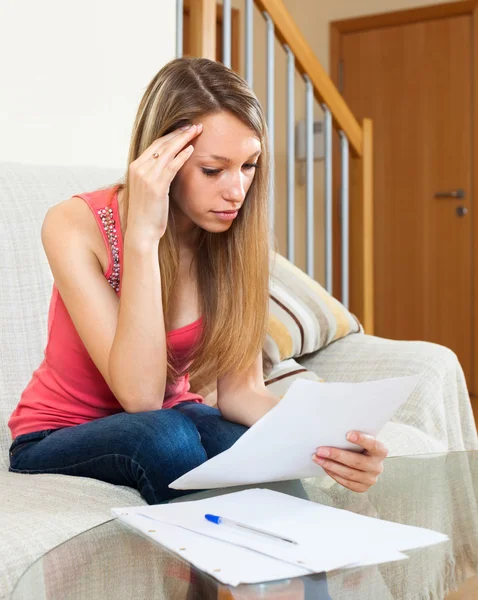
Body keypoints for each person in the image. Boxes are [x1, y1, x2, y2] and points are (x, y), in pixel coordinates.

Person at [8, 57, 388, 504]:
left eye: (249, 166)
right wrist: (144, 238)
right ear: (160, 161)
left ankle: (303, 568)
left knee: (252, 450)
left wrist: (333, 442)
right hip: (60, 431)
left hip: (175, 418)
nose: (236, 191)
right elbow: (142, 398)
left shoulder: (231, 240)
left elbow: (242, 393)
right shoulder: (74, 224)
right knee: (165, 435)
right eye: (213, 170)